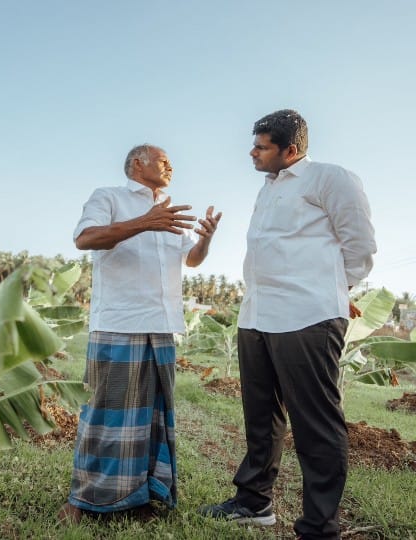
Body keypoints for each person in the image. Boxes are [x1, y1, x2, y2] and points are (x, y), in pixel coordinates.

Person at [198, 110, 377, 540]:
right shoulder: (268, 189)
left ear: (291, 150)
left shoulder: (332, 179)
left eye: (261, 147)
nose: (252, 153)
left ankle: (319, 527)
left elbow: (361, 247)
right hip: (258, 315)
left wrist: (334, 288)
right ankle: (253, 502)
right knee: (261, 417)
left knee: (315, 423)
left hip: (308, 315)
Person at [58, 144, 222, 524]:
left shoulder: (169, 210)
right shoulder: (109, 197)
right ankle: (84, 500)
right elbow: (85, 239)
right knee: (105, 414)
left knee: (151, 418)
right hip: (119, 323)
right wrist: (144, 222)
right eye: (163, 160)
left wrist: (206, 239)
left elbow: (191, 260)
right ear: (137, 163)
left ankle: (138, 497)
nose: (171, 165)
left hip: (161, 327)